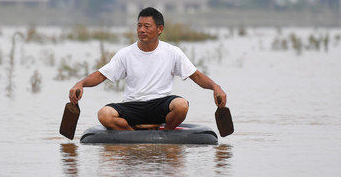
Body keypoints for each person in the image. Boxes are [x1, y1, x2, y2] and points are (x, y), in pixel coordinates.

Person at [69, 7, 227, 130]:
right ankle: (130, 135)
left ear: (159, 29)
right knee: (104, 114)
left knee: (181, 105)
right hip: (132, 106)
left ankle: (165, 134)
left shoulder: (172, 52)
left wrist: (216, 87)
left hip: (160, 105)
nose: (141, 30)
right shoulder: (126, 54)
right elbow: (101, 75)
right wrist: (80, 84)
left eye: (146, 26)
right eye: (139, 26)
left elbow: (197, 76)